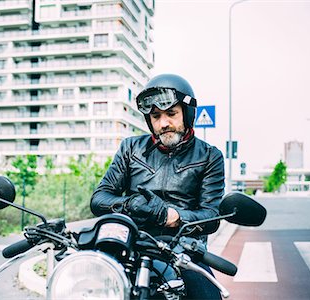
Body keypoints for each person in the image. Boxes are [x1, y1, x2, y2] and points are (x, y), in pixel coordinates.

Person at [90, 73, 225, 299]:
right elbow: (99, 198)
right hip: (132, 243)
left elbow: (211, 217)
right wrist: (130, 204)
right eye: (156, 116)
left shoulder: (210, 156)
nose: (164, 123)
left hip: (183, 249)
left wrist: (171, 216)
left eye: (171, 114)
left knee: (209, 295)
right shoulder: (131, 148)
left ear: (187, 113)